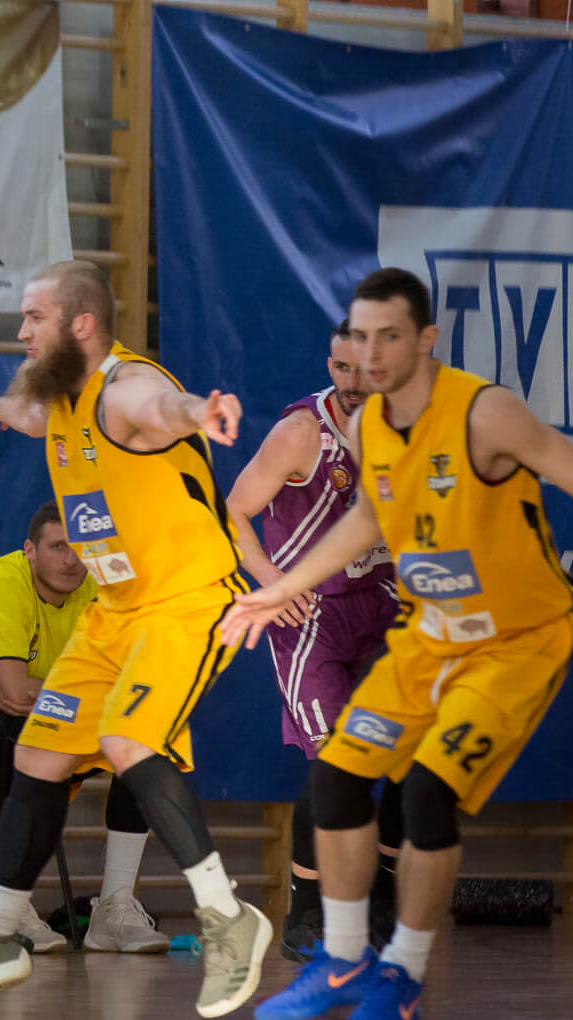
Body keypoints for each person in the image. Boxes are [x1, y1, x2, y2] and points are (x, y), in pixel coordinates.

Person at [228, 268, 573, 1020]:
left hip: (513, 644)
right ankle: (342, 958)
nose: (371, 354)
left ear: (426, 339)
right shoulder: (370, 428)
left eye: (389, 337)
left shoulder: (485, 413)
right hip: (431, 635)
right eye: (360, 338)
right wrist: (280, 587)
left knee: (426, 793)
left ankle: (403, 974)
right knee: (336, 779)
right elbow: (367, 522)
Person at [0, 260, 269, 1017]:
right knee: (37, 755)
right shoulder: (63, 400)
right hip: (116, 612)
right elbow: (34, 415)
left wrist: (199, 410)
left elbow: (160, 406)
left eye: (34, 318)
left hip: (185, 603)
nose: (21, 331)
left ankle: (227, 916)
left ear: (82, 325)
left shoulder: (124, 389)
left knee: (129, 743)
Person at [0, 500, 167, 953]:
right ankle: (8, 905)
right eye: (57, 547)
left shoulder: (94, 590)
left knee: (144, 742)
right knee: (11, 732)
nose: (70, 560)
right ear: (30, 550)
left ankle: (114, 909)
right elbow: (13, 692)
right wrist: (91, 696)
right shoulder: (2, 582)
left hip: (42, 720)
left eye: (80, 549)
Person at [223, 320, 403, 961]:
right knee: (336, 765)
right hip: (314, 615)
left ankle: (383, 901)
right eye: (340, 368)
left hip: (383, 600)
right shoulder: (302, 432)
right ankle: (304, 911)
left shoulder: (410, 427)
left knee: (411, 749)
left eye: (364, 370)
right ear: (329, 366)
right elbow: (233, 509)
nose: (352, 382)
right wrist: (272, 580)